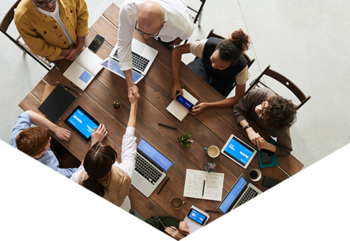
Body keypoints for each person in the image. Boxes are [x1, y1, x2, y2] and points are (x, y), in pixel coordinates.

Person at [69, 90, 139, 214]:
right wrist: (134, 104)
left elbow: (81, 168)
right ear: (111, 165)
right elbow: (129, 143)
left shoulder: (77, 178)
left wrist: (94, 144)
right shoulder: (124, 174)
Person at [117, 0, 195, 99]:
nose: (145, 37)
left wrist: (178, 39)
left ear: (163, 23)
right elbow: (123, 43)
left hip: (172, 30)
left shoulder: (181, 26)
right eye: (141, 30)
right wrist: (130, 83)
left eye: (150, 33)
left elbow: (187, 34)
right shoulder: (128, 9)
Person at [171, 29, 251, 115]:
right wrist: (176, 82)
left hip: (224, 80)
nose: (214, 66)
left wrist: (207, 105)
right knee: (187, 85)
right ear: (216, 49)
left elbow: (238, 97)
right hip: (203, 66)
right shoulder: (206, 45)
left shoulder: (241, 68)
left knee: (209, 101)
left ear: (232, 64)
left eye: (221, 66)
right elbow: (177, 51)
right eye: (213, 59)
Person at [9, 110, 79, 180]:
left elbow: (28, 114)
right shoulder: (50, 168)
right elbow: (74, 175)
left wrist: (56, 129)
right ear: (39, 154)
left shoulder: (19, 137)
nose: (50, 138)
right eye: (48, 141)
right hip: (58, 165)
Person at [14, 0, 89, 61]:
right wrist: (68, 53)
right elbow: (38, 47)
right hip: (60, 57)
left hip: (81, 39)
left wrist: (79, 46)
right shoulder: (22, 17)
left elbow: (82, 13)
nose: (50, 5)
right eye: (41, 3)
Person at [233, 87, 298, 156]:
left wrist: (266, 145)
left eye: (262, 113)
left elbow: (286, 150)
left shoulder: (281, 129)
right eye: (263, 104)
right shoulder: (260, 93)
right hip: (240, 124)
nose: (258, 108)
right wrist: (249, 129)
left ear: (271, 123)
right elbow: (237, 109)